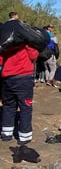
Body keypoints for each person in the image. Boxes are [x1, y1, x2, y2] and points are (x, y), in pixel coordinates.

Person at [0, 12, 40, 145]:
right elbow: (34, 56)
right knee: (25, 106)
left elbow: (0, 61)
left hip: (7, 78)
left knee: (9, 106)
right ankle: (24, 136)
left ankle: (6, 134)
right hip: (24, 78)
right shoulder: (26, 44)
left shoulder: (4, 45)